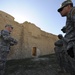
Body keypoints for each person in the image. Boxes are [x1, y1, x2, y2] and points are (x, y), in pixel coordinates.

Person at [57, 0, 75, 75]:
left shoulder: (73, 11)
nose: (60, 11)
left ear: (68, 6)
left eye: (61, 9)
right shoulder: (69, 15)